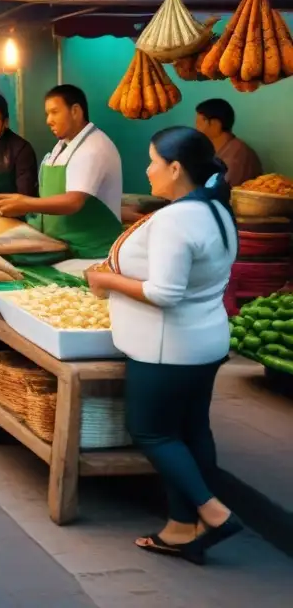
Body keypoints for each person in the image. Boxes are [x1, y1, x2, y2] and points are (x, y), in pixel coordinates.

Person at [86, 127, 241, 564]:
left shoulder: (177, 219)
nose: (148, 169)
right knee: (192, 431)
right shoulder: (217, 210)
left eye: (153, 161)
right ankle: (180, 528)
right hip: (206, 341)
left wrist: (104, 279)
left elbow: (166, 292)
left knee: (151, 431)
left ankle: (212, 514)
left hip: (167, 347)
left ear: (175, 168)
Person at [0, 85, 123, 259]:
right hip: (60, 245)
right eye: (47, 114)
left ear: (75, 111)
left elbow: (73, 202)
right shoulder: (64, 144)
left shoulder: (93, 148)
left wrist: (26, 203)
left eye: (54, 112)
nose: (48, 120)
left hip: (88, 252)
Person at [194, 98, 262, 188]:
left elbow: (222, 190)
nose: (196, 128)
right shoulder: (212, 150)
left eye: (199, 124)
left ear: (215, 125)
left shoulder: (238, 154)